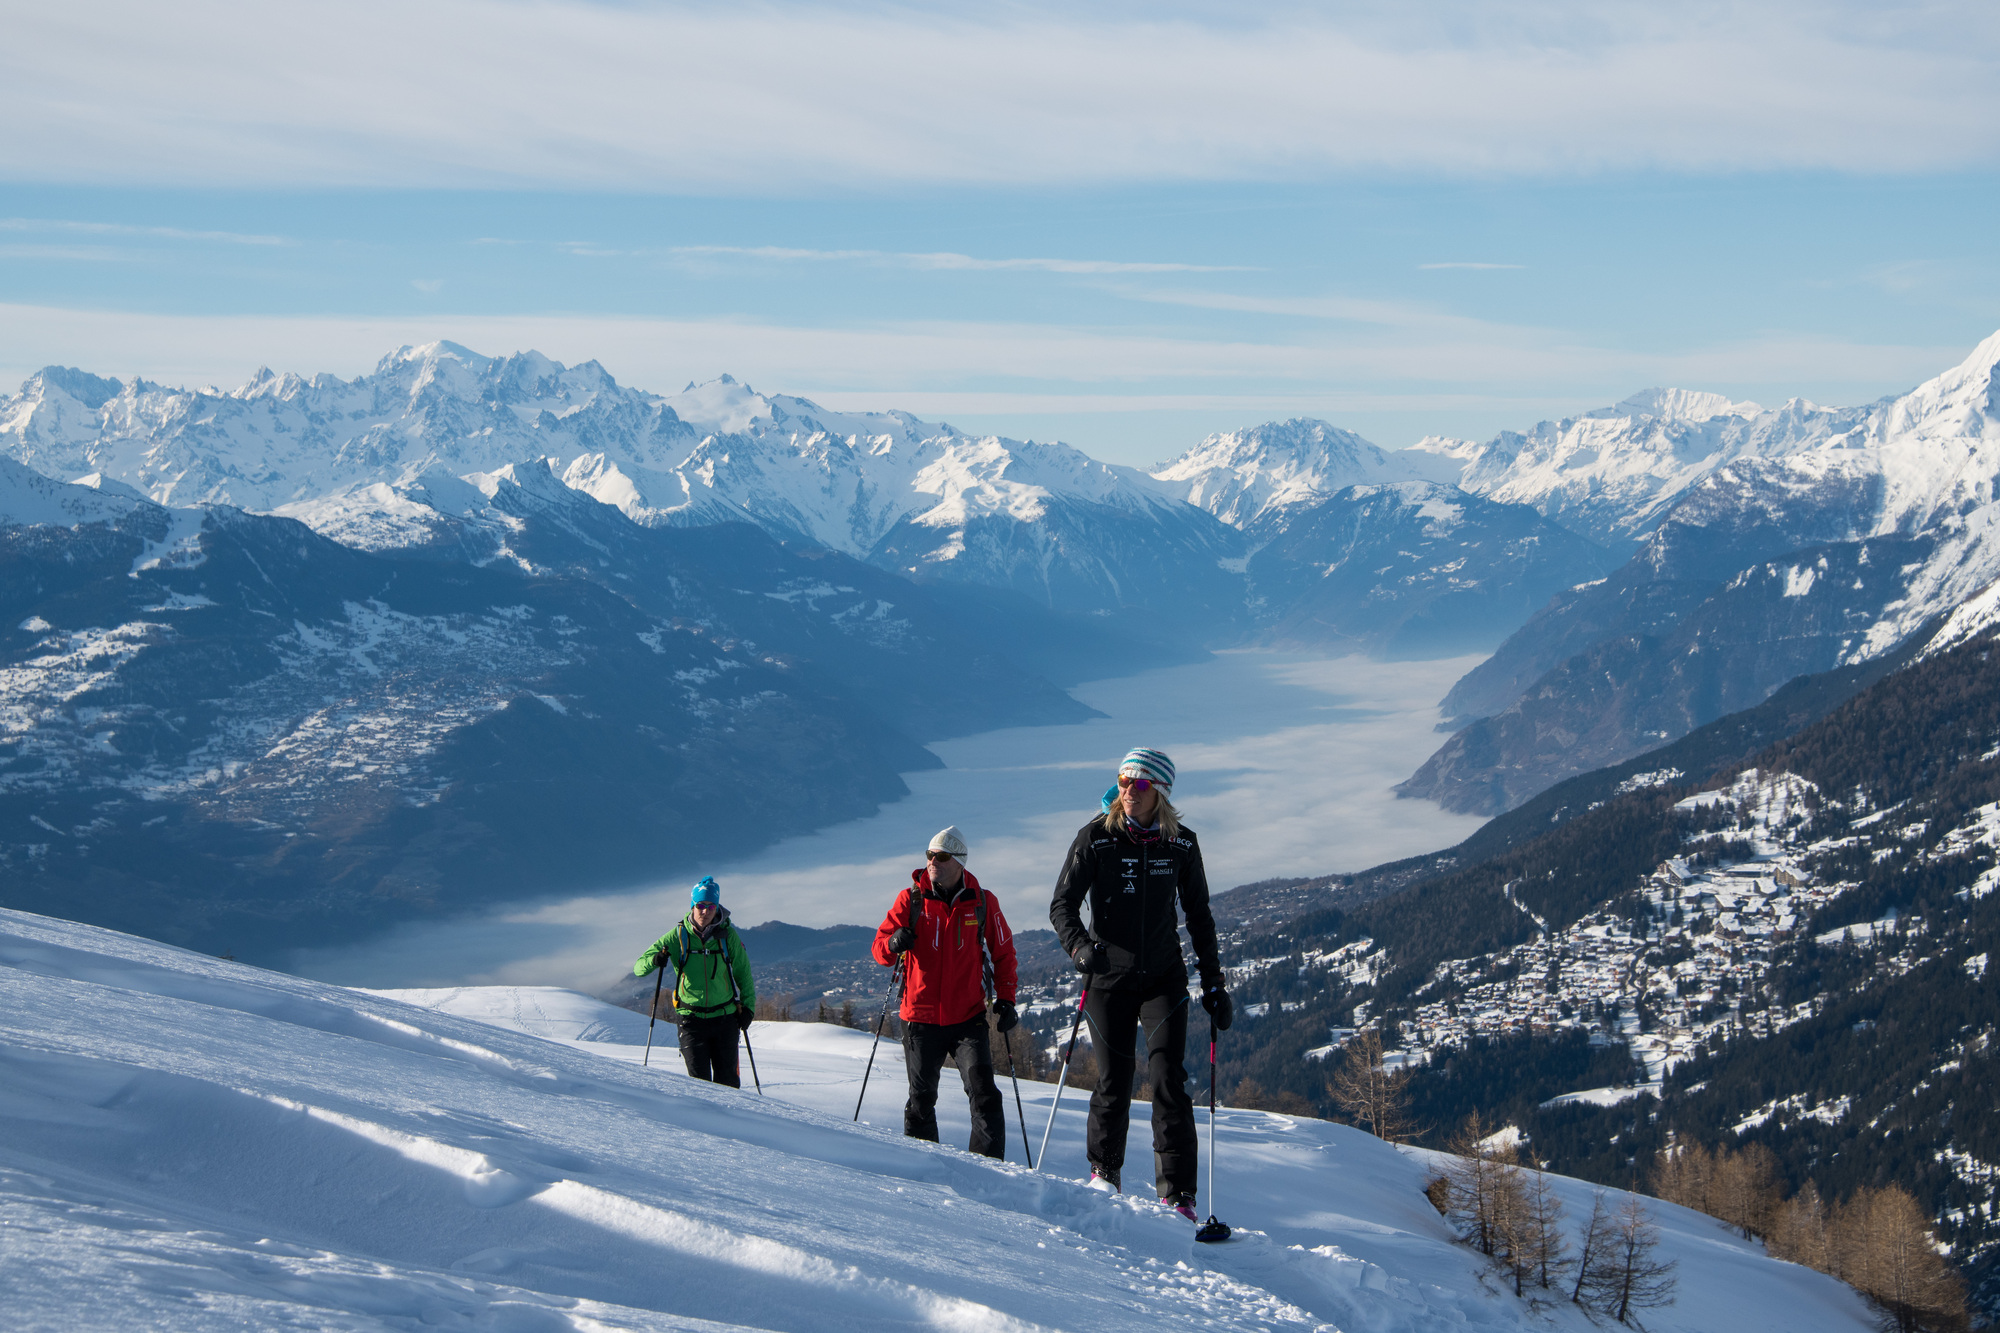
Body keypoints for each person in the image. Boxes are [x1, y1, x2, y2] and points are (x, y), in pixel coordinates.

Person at [1050, 747, 1232, 1222]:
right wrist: (1080, 948)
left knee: (1169, 1079)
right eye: (1124, 780)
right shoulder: (1096, 837)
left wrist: (1214, 985)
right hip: (1108, 977)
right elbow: (1062, 905)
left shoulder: (1182, 844)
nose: (1130, 789)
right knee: (1115, 1079)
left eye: (1142, 783)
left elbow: (1199, 916)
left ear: (1162, 792)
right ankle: (1104, 1175)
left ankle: (1178, 1196)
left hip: (1163, 980)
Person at [871, 825, 1020, 1158]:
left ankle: (990, 1169)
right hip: (919, 1018)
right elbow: (879, 949)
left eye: (941, 856)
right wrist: (894, 943)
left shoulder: (982, 902)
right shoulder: (910, 899)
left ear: (960, 862)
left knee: (984, 1094)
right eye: (929, 855)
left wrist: (1007, 999)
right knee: (921, 1100)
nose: (932, 862)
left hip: (967, 1016)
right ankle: (924, 1166)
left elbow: (1004, 953)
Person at [633, 876, 755, 1087]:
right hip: (691, 1021)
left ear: (717, 907)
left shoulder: (728, 936)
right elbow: (639, 968)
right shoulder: (678, 936)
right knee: (700, 1086)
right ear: (692, 906)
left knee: (729, 1086)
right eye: (700, 905)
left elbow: (743, 973)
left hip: (725, 1019)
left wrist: (749, 1008)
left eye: (710, 906)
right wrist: (655, 960)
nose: (705, 911)